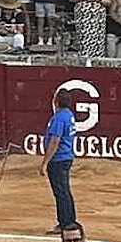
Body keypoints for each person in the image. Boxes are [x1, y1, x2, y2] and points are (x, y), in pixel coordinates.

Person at [42, 89, 78, 234]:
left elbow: (55, 141)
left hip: (58, 159)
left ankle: (65, 223)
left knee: (61, 192)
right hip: (66, 157)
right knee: (64, 191)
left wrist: (44, 162)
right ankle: (69, 221)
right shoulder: (68, 115)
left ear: (56, 101)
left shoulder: (59, 117)